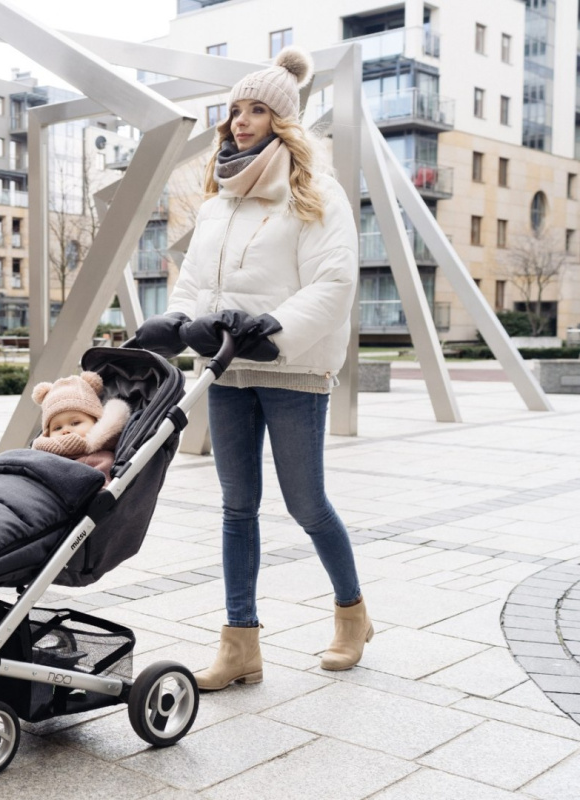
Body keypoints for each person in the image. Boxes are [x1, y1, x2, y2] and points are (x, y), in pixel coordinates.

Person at [134, 45, 371, 690]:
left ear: (282, 120)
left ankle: (352, 615)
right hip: (228, 370)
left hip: (291, 370)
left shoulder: (316, 193)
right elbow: (194, 284)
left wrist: (274, 331)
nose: (240, 121)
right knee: (237, 506)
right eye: (235, 110)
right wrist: (177, 323)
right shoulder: (218, 200)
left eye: (257, 110)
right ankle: (240, 644)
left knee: (306, 504)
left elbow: (333, 282)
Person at [31, 372, 130, 486]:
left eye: (75, 423)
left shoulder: (101, 459)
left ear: (96, 423)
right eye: (57, 428)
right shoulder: (41, 457)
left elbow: (100, 489)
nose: (65, 430)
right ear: (47, 433)